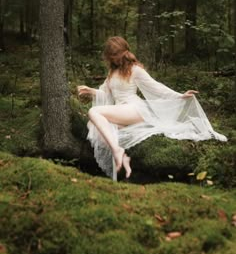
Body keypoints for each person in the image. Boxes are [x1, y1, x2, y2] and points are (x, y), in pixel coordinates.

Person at [78, 36, 227, 181]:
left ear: (124, 52)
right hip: (121, 111)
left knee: (93, 112)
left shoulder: (134, 69)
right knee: (95, 125)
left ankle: (117, 150)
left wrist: (180, 96)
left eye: (116, 54)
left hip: (134, 108)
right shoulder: (112, 73)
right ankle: (124, 160)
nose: (114, 58)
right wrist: (90, 90)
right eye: (111, 56)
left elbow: (156, 87)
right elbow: (106, 94)